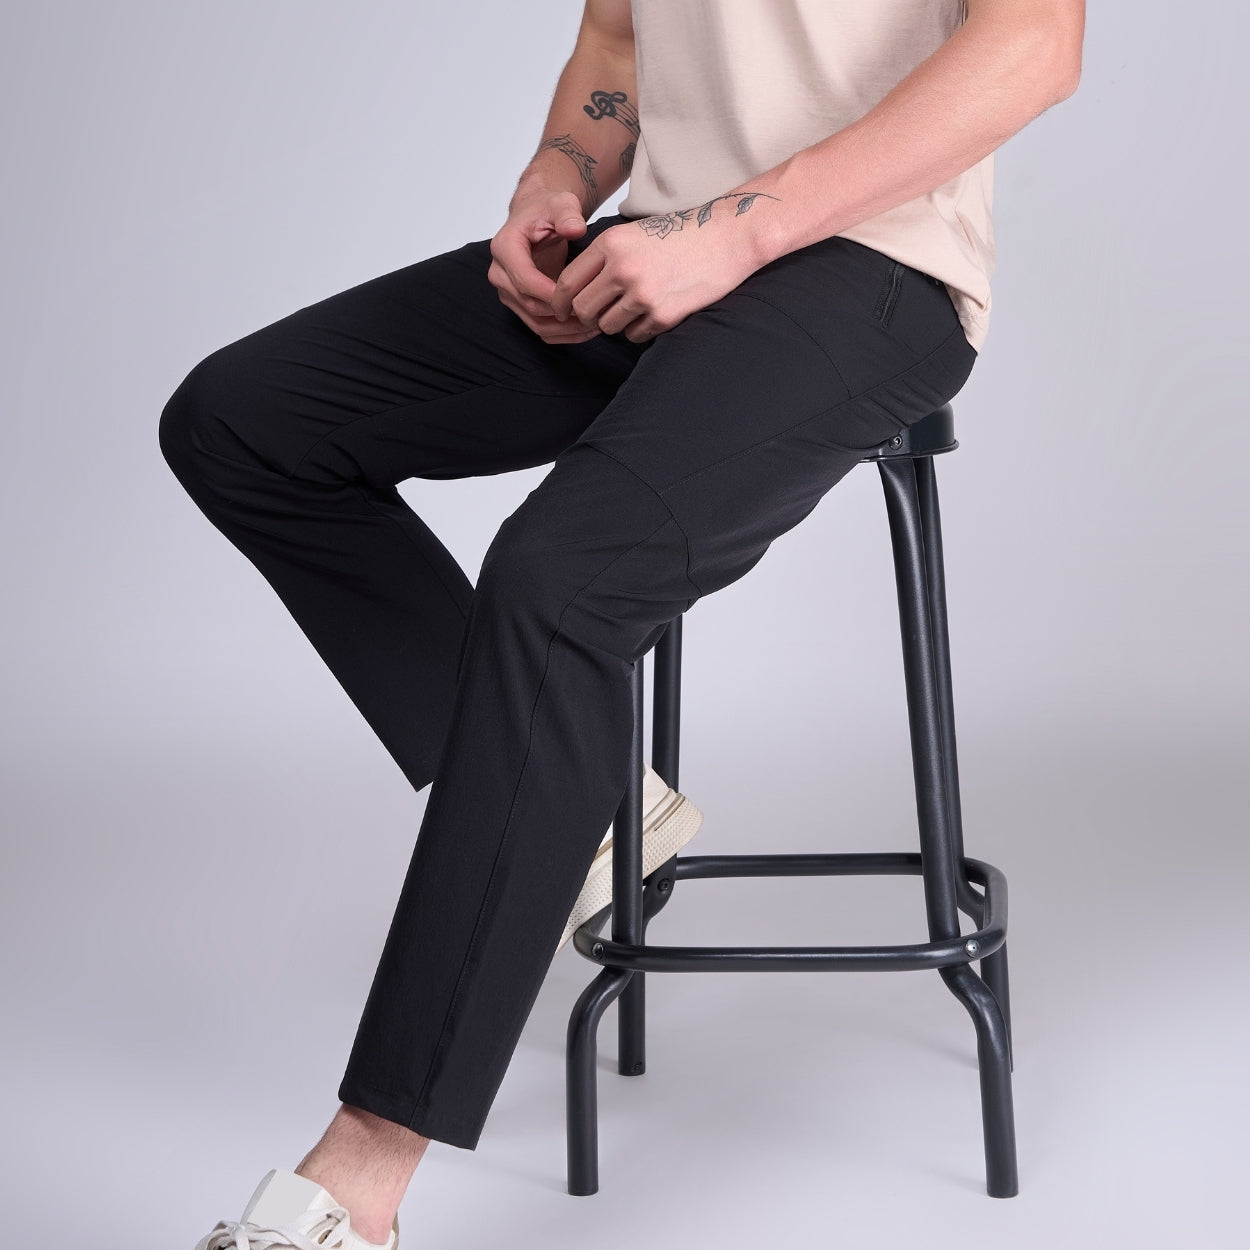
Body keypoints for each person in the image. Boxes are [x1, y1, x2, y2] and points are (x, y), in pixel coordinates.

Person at [162, 1, 1083, 1246]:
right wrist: (554, 181)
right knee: (244, 420)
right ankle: (588, 798)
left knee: (557, 581)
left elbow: (1035, 45)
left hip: (873, 266)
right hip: (660, 255)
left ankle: (356, 1185)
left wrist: (737, 231)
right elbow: (613, 40)